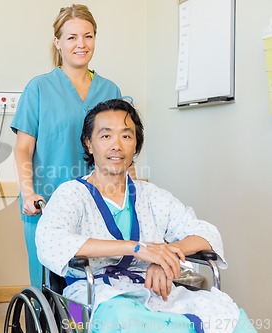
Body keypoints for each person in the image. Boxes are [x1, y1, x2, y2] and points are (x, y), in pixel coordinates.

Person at [36, 99, 256, 333]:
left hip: (153, 288)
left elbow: (205, 233)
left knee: (227, 314)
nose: (116, 145)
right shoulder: (71, 194)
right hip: (84, 301)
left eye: (126, 136)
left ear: (136, 145)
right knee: (124, 319)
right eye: (105, 136)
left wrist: (163, 256)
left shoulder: (152, 196)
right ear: (89, 144)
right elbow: (51, 241)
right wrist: (136, 248)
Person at [11, 4, 123, 288]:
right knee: (49, 289)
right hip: (46, 204)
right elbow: (23, 148)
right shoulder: (38, 88)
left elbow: (120, 149)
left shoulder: (110, 91)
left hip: (97, 206)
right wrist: (27, 193)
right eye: (72, 37)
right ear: (58, 42)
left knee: (87, 288)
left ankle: (75, 327)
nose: (81, 44)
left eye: (88, 36)